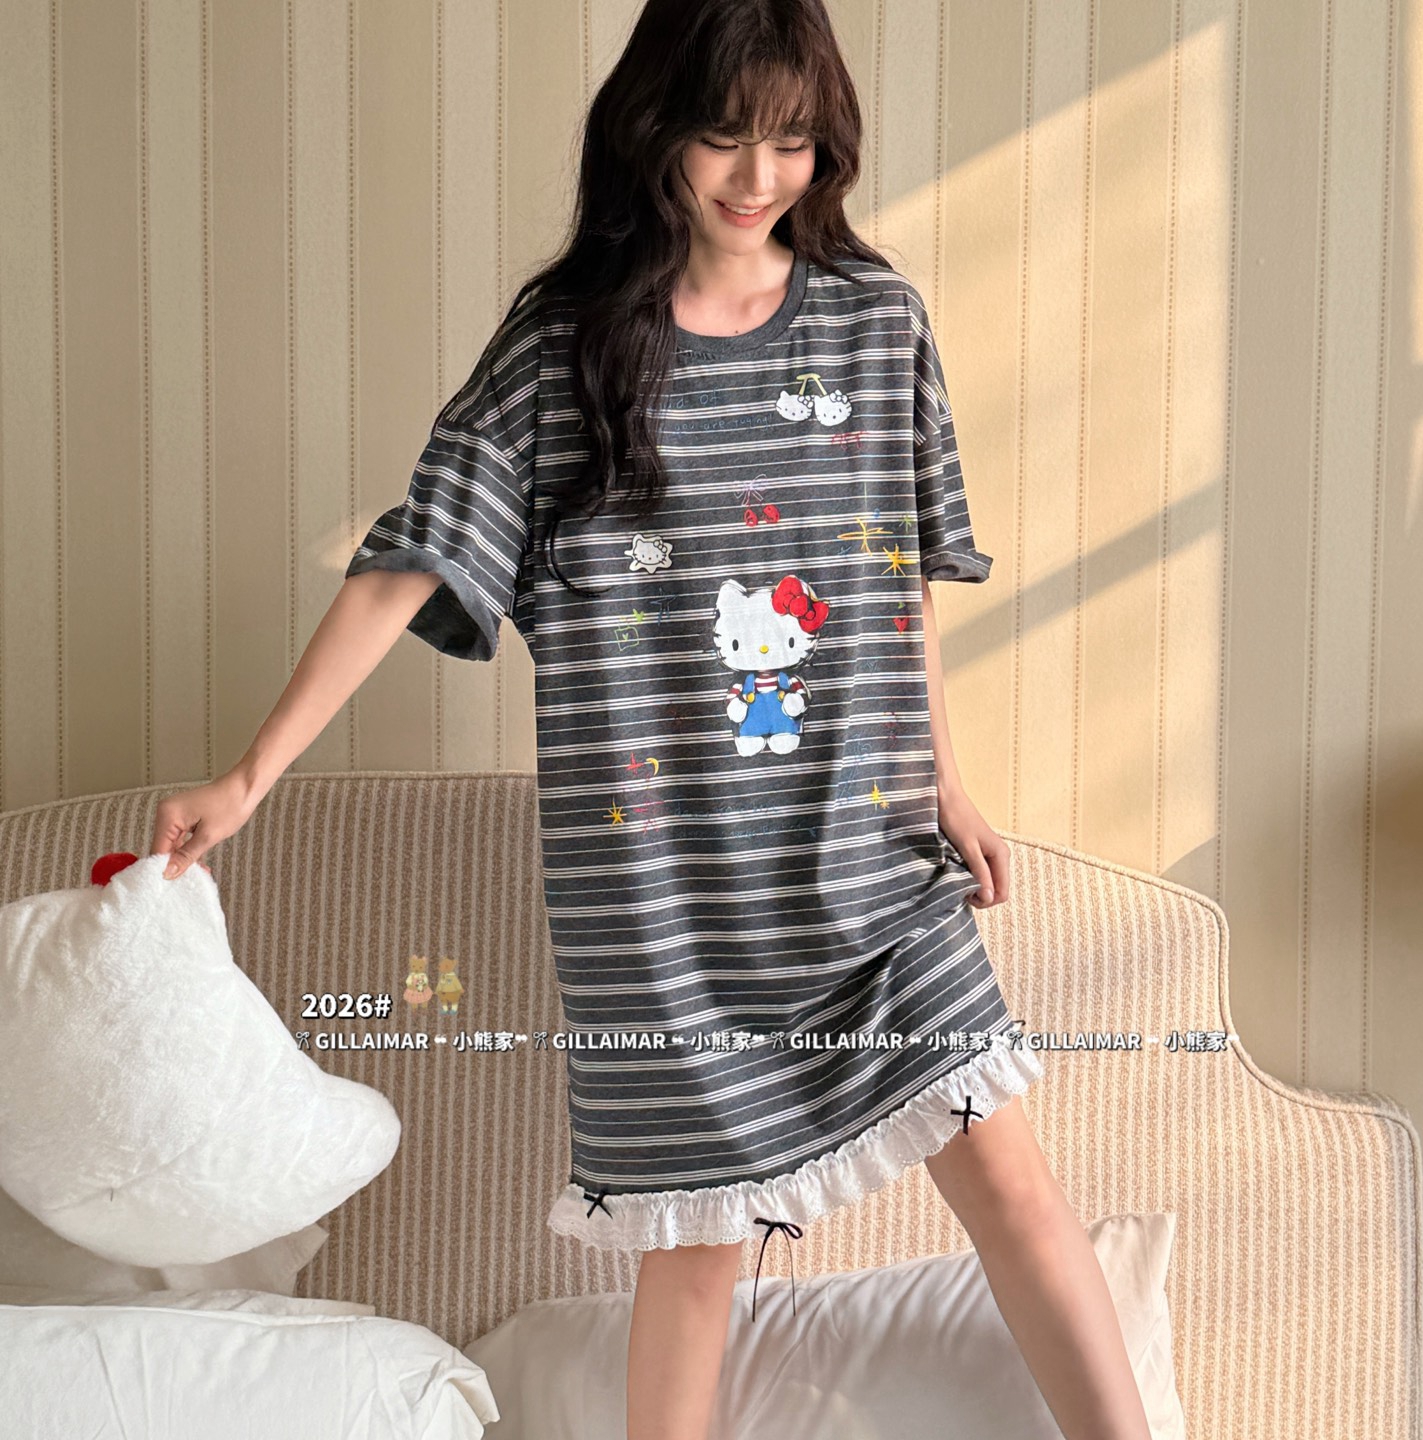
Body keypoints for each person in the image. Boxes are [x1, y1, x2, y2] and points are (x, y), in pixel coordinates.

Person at [150, 2, 1153, 1437]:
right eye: (724, 136)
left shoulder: (877, 324)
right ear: (654, 131)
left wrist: (947, 785)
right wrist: (248, 777)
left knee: (1009, 1180)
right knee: (697, 1251)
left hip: (863, 854)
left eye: (792, 142)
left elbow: (897, 582)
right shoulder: (566, 348)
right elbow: (415, 556)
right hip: (662, 894)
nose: (757, 177)